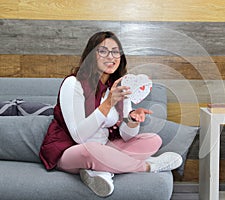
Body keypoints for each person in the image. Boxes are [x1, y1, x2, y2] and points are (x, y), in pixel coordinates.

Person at [39, 31, 182, 197]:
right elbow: (79, 136)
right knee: (90, 150)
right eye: (103, 51)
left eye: (115, 52)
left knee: (152, 140)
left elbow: (126, 136)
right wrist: (108, 103)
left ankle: (98, 170)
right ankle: (147, 166)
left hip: (105, 148)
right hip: (71, 151)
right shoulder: (73, 84)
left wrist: (132, 120)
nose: (111, 57)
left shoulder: (118, 87)